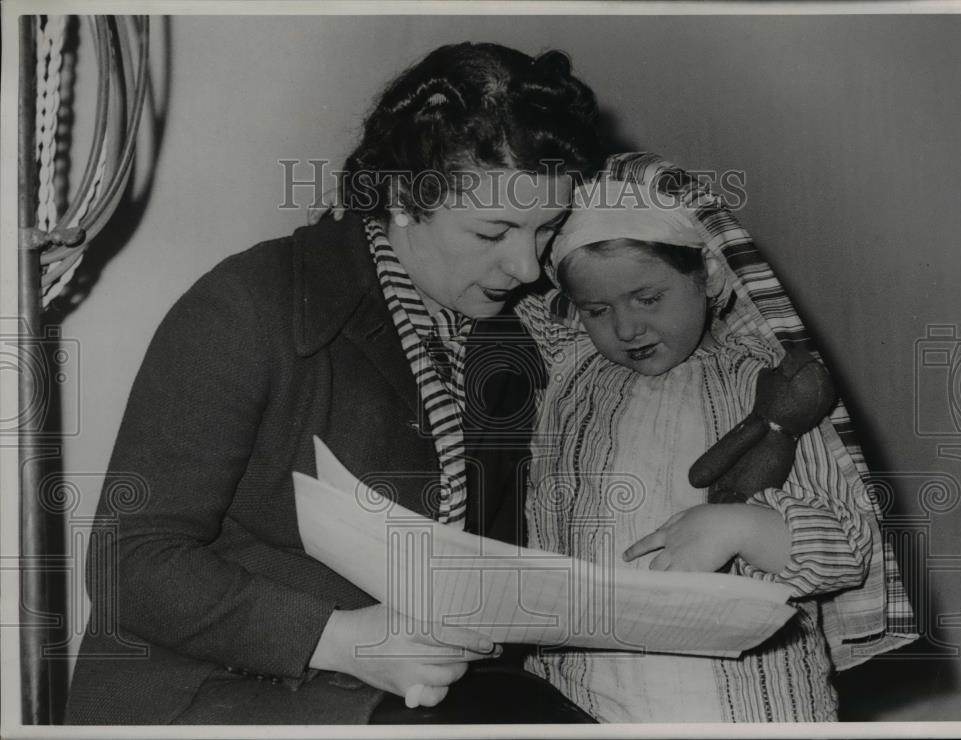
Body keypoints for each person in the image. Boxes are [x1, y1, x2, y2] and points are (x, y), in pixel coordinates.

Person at [66, 42, 604, 725]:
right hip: (210, 689)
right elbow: (129, 568)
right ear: (406, 199)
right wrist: (340, 639)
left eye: (546, 229)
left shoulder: (506, 340)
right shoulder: (250, 303)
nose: (526, 265)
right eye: (493, 230)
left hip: (394, 690)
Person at [514, 158, 917, 722]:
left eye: (648, 298)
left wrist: (742, 528)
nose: (626, 328)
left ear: (708, 275)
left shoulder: (763, 382)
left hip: (749, 701)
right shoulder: (569, 372)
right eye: (597, 309)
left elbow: (850, 548)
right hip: (581, 697)